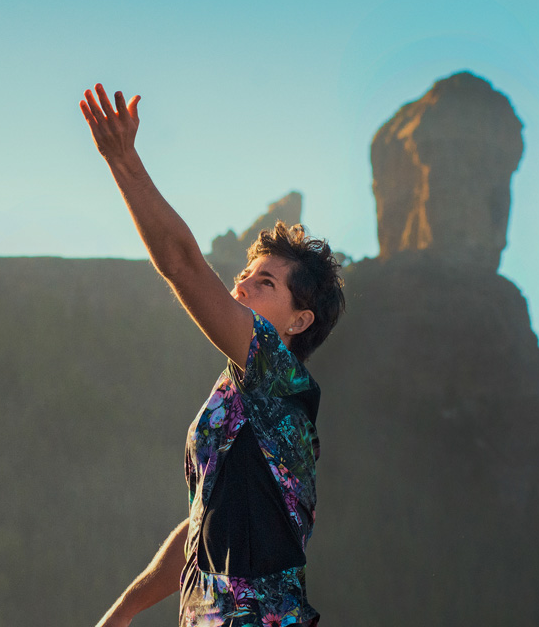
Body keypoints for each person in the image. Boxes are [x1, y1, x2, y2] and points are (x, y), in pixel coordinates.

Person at [80, 84, 346, 627]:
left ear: (299, 321)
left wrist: (124, 163)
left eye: (265, 282)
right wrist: (125, 608)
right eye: (244, 274)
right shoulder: (236, 391)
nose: (242, 286)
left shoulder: (280, 378)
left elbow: (181, 263)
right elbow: (201, 525)